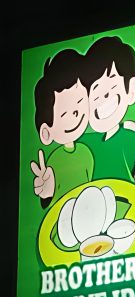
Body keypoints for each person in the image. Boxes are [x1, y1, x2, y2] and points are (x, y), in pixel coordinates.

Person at [78, 36, 135, 196]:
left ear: (131, 90)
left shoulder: (132, 141)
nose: (102, 99)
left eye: (110, 90)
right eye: (94, 94)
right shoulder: (86, 143)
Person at [30, 49, 95, 208]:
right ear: (46, 132)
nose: (75, 117)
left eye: (80, 105)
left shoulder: (87, 152)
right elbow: (49, 201)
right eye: (64, 114)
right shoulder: (54, 161)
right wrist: (46, 194)